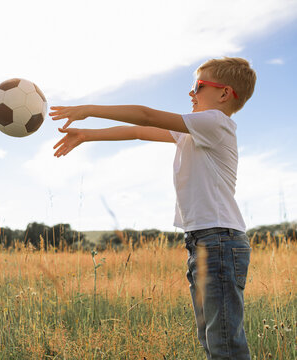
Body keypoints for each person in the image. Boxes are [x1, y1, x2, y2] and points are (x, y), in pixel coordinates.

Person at [51, 57, 256, 360]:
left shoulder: (215, 123)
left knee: (225, 342)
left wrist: (88, 110)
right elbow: (138, 131)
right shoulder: (195, 131)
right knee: (213, 340)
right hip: (204, 241)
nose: (191, 94)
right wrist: (88, 134)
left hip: (219, 241)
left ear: (224, 94)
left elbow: (146, 115)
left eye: (198, 86)